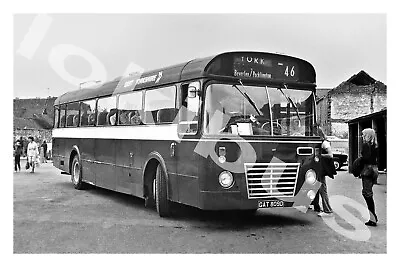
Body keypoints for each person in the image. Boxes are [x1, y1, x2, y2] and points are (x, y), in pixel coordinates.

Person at [311, 126, 336, 217]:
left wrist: (320, 155)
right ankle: (316, 205)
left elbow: (330, 155)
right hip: (317, 168)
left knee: (322, 188)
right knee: (316, 186)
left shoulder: (324, 143)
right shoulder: (320, 142)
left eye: (313, 133)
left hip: (321, 168)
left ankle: (327, 210)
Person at [360, 128, 379, 226]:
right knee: (368, 193)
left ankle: (373, 218)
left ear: (368, 135)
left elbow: (365, 158)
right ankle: (373, 217)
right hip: (374, 169)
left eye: (363, 135)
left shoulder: (365, 145)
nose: (362, 137)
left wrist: (360, 160)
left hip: (367, 170)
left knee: (367, 194)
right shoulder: (375, 145)